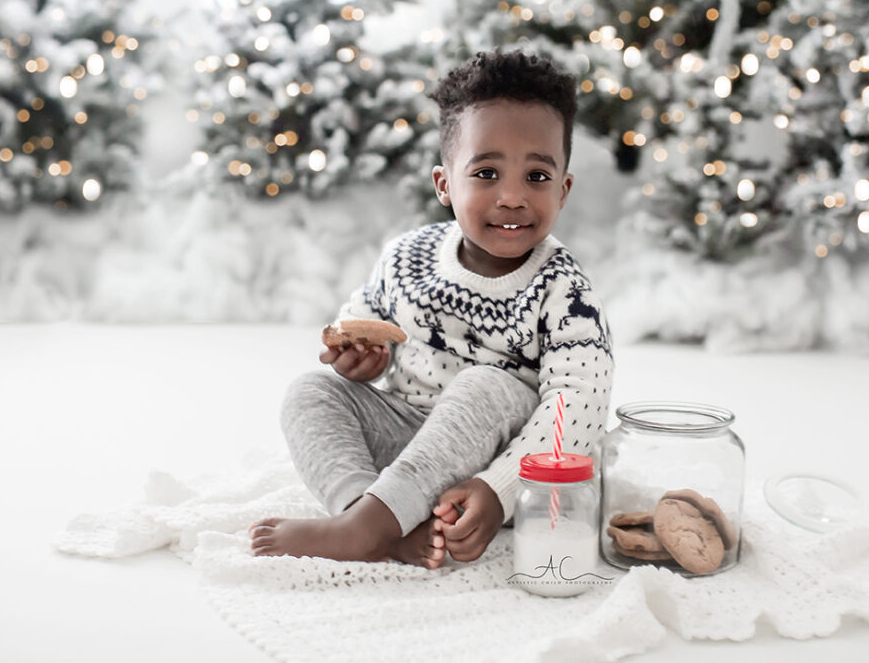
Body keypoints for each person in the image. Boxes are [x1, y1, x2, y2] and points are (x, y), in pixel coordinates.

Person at [249, 49, 614, 568]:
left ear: (564, 189)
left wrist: (499, 488)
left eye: (536, 177)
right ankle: (370, 521)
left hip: (497, 473)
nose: (512, 196)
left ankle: (368, 525)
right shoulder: (407, 257)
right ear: (445, 184)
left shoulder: (564, 290)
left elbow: (578, 408)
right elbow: (364, 317)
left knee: (486, 383)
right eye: (486, 173)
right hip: (407, 453)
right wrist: (363, 358)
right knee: (310, 391)